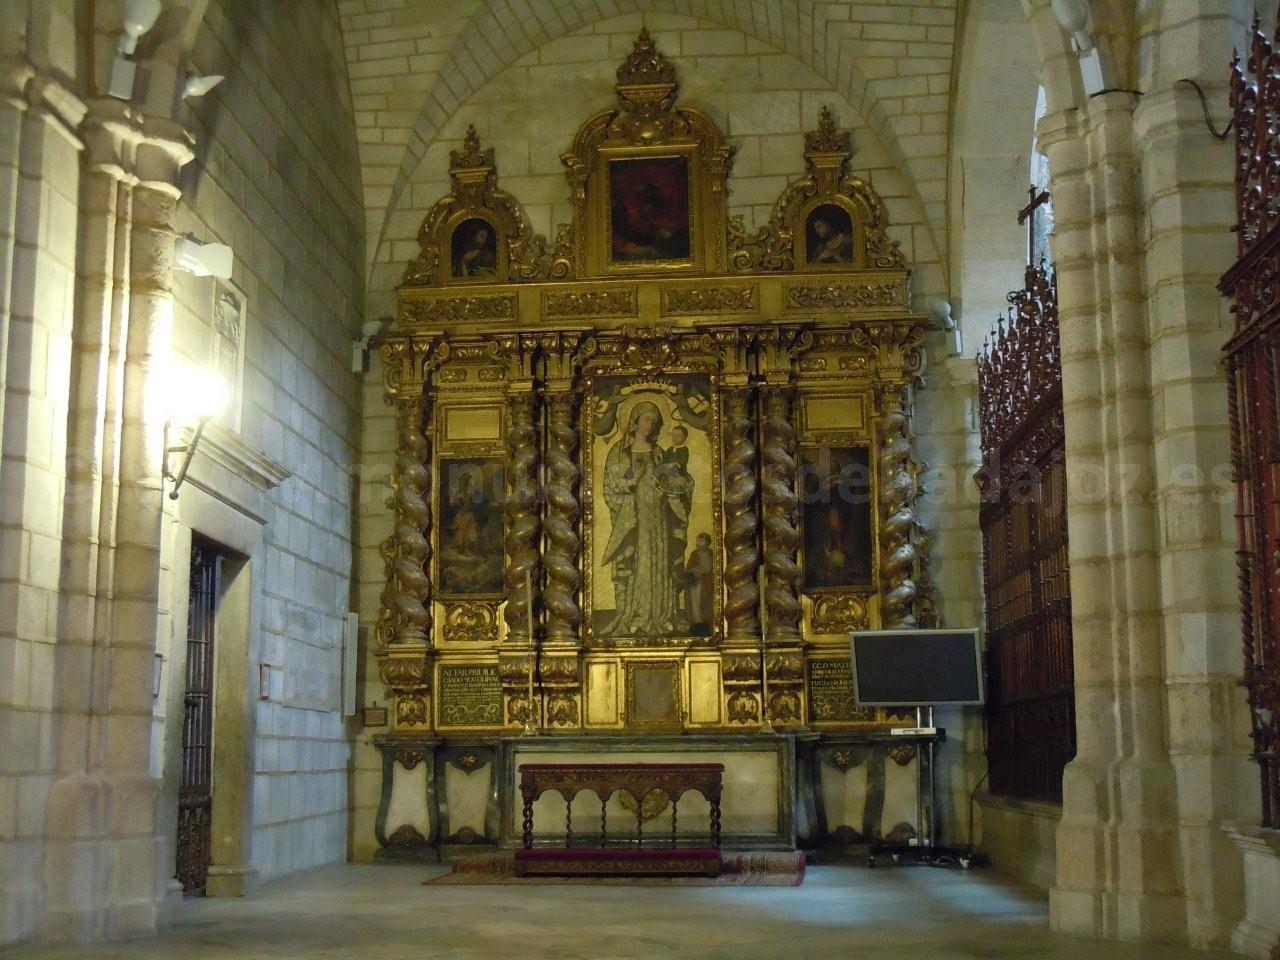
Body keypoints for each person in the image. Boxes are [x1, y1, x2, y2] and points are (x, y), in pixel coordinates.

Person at [600, 401, 692, 637]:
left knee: (659, 560)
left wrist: (678, 484)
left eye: (654, 420)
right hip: (634, 517)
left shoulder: (660, 453)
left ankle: (661, 614)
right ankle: (637, 615)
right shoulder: (619, 453)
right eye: (646, 419)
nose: (650, 425)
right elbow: (612, 485)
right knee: (638, 562)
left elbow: (673, 479)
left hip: (659, 515)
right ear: (634, 421)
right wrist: (633, 479)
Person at [683, 532, 714, 633]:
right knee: (695, 602)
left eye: (701, 540)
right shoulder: (694, 554)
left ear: (707, 542)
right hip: (696, 583)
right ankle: (697, 622)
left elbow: (712, 569)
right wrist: (692, 573)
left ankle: (706, 621)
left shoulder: (711, 554)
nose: (699, 543)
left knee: (705, 601)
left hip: (707, 583)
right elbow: (689, 568)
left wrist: (705, 575)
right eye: (698, 540)